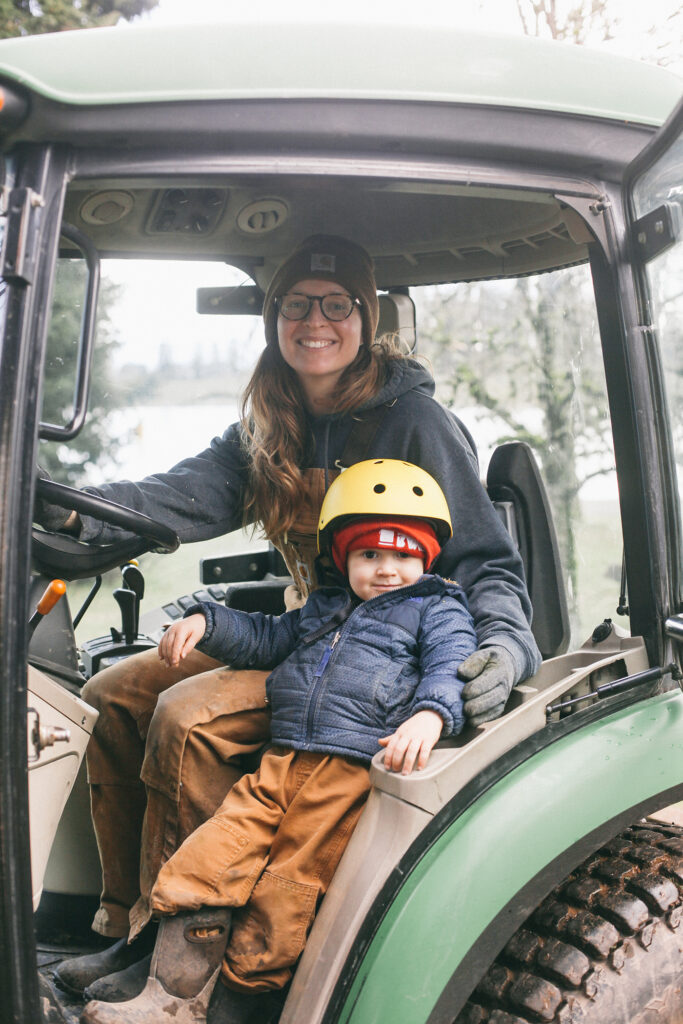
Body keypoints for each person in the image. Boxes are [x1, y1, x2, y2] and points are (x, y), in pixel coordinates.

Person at [37, 234, 541, 1001]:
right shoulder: (271, 422)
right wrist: (77, 520)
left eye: (336, 306)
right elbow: (173, 495)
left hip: (381, 660)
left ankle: (187, 972)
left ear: (366, 320)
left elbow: (485, 563)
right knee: (115, 694)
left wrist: (505, 646)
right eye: (298, 304)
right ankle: (128, 924)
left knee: (187, 715)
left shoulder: (413, 425)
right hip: (306, 635)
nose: (317, 321)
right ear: (274, 316)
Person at [80, 460, 479, 1024]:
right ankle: (166, 998)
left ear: (425, 558)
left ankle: (242, 1004)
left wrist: (431, 716)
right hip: (281, 762)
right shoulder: (326, 608)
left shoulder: (437, 610)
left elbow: (449, 667)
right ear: (344, 559)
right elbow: (268, 636)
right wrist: (208, 623)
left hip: (346, 773)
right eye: (370, 556)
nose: (387, 570)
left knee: (283, 890)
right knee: (206, 860)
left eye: (402, 556)